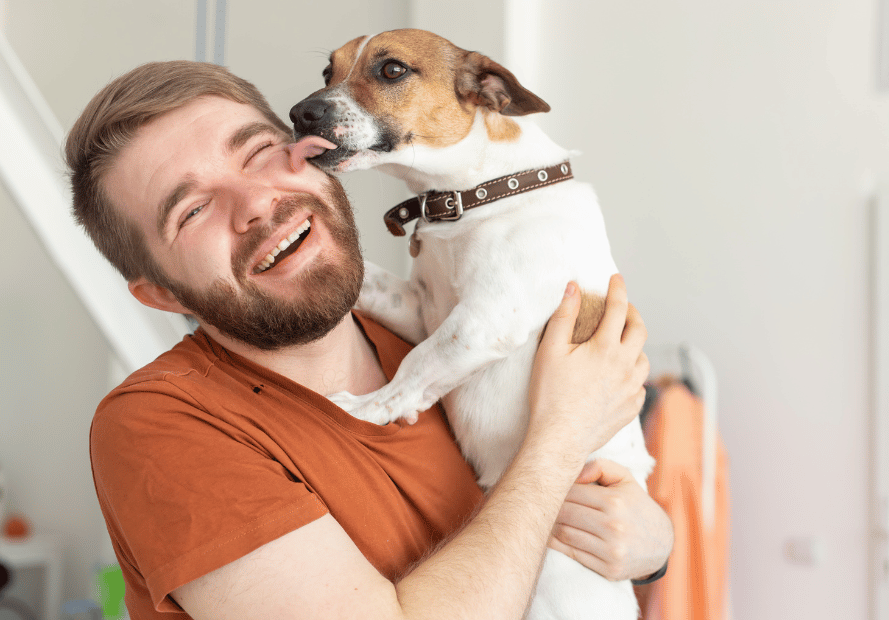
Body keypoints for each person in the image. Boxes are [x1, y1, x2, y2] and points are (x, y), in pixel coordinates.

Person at [68, 60, 673, 620]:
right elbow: (549, 465)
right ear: (161, 295)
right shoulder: (164, 426)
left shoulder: (433, 332)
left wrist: (650, 546)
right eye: (193, 210)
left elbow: (607, 526)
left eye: (258, 153)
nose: (255, 202)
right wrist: (558, 441)